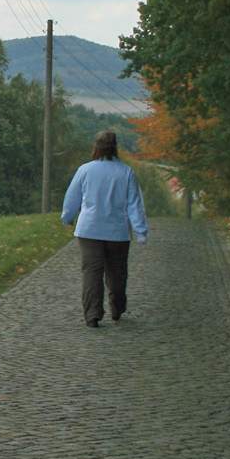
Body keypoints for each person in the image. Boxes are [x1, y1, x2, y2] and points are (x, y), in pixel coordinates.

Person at [59, 130, 149, 327]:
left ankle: (92, 314)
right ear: (115, 147)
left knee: (92, 272)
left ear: (96, 147)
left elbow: (72, 197)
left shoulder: (85, 170)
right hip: (117, 232)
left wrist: (67, 217)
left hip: (89, 230)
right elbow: (134, 204)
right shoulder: (126, 172)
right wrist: (140, 231)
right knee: (117, 273)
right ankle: (117, 307)